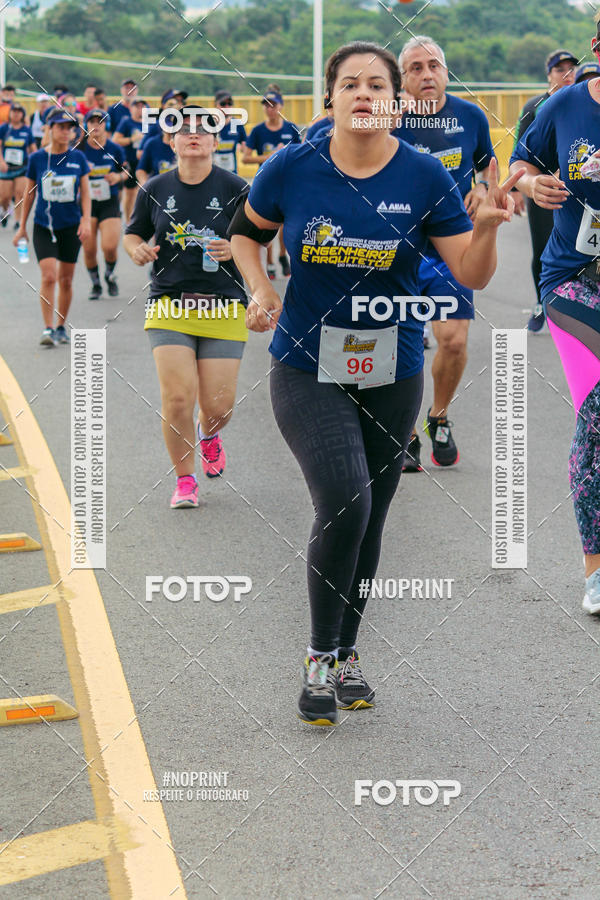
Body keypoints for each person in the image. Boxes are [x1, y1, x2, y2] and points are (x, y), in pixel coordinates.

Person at [230, 41, 521, 726]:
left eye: (376, 85)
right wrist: (260, 285)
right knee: (345, 500)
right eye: (350, 84)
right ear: (328, 97)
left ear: (394, 101)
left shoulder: (423, 176)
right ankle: (318, 656)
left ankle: (348, 651)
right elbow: (246, 232)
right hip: (306, 362)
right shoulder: (292, 167)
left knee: (372, 515)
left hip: (393, 367)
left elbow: (471, 274)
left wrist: (484, 228)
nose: (364, 95)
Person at [510, 14, 600, 618]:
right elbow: (518, 164)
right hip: (574, 279)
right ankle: (596, 570)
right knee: (596, 413)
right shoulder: (565, 105)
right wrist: (533, 182)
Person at [123, 110, 250, 509]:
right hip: (169, 303)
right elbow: (133, 233)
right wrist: (137, 250)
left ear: (216, 143)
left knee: (218, 405)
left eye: (203, 131)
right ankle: (185, 479)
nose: (193, 136)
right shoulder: (156, 187)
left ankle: (209, 434)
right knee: (177, 398)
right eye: (184, 131)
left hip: (224, 305)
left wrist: (237, 248)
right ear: (171, 143)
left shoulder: (236, 187)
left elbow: (260, 239)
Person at [394, 35, 495, 471]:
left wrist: (484, 188)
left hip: (451, 247)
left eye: (433, 65)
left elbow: (487, 163)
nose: (426, 74)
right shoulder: (386, 118)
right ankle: (403, 428)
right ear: (401, 79)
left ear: (446, 71)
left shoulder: (470, 115)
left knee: (451, 341)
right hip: (394, 250)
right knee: (401, 345)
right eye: (415, 68)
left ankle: (438, 416)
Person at [513, 49, 578, 333]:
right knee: (543, 248)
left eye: (570, 68)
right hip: (543, 190)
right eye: (558, 69)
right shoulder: (536, 106)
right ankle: (542, 303)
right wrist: (519, 189)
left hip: (577, 191)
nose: (566, 74)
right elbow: (521, 155)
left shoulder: (585, 102)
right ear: (548, 75)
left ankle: (575, 306)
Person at [14, 108, 90, 346]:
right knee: (49, 276)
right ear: (50, 129)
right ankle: (47, 328)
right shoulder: (37, 158)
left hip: (70, 226)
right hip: (43, 226)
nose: (66, 132)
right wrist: (21, 227)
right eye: (61, 127)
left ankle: (60, 326)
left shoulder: (78, 158)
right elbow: (29, 193)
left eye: (70, 128)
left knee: (66, 280)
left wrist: (86, 219)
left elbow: (85, 193)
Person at [242, 86, 301, 279]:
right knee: (267, 224)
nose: (270, 109)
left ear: (281, 106)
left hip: (288, 181)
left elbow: (301, 155)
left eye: (273, 105)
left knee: (286, 222)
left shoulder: (290, 128)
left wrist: (284, 156)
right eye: (266, 105)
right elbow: (246, 158)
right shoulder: (258, 131)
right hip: (266, 182)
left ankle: (283, 255)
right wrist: (269, 157)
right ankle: (268, 263)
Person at [79, 109, 128, 299]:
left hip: (109, 202)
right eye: (92, 123)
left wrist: (117, 176)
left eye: (100, 122)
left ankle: (109, 275)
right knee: (89, 249)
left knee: (109, 247)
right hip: (86, 204)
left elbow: (126, 172)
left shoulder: (115, 149)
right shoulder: (80, 150)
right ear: (86, 126)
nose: (96, 126)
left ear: (105, 125)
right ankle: (96, 284)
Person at [0, 104, 36, 228]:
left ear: (22, 114)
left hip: (22, 167)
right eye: (14, 111)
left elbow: (32, 148)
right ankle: (5, 211)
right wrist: (1, 161)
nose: (16, 114)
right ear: (10, 114)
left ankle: (17, 221)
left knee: (20, 193)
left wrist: (35, 162)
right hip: (6, 167)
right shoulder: (4, 128)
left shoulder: (26, 130)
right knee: (4, 197)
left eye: (19, 112)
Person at [113, 98, 146, 221]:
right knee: (130, 193)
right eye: (137, 106)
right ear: (131, 109)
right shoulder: (126, 122)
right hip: (130, 160)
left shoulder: (150, 123)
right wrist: (132, 139)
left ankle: (143, 219)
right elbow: (115, 140)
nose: (140, 109)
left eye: (142, 106)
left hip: (144, 162)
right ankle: (128, 221)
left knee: (144, 192)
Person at [212, 89, 247, 174]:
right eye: (223, 104)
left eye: (229, 104)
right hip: (212, 174)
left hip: (231, 174)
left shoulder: (237, 125)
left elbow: (245, 149)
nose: (227, 107)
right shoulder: (208, 125)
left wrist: (243, 148)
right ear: (216, 105)